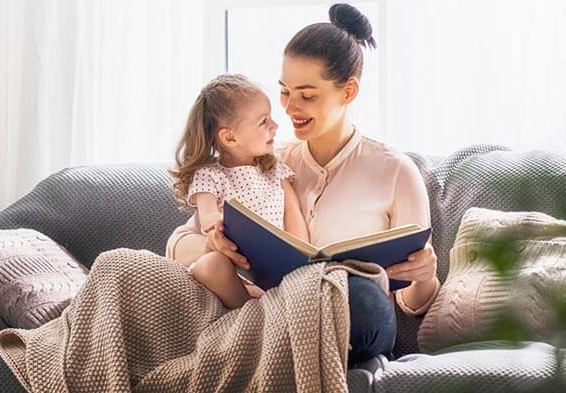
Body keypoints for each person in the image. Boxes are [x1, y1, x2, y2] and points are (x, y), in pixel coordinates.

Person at [166, 3, 440, 365]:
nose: (290, 108)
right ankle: (270, 338)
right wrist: (214, 245)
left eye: (307, 95)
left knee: (360, 299)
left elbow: (411, 302)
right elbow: (177, 245)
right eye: (284, 91)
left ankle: (277, 333)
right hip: (269, 305)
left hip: (356, 317)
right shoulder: (263, 160)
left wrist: (426, 277)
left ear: (349, 91)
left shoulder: (395, 171)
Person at [168, 73, 310, 310]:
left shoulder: (274, 169)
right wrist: (218, 230)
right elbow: (209, 217)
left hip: (272, 271)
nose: (275, 126)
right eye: (263, 121)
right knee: (211, 264)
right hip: (232, 269)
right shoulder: (211, 175)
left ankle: (261, 311)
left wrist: (303, 257)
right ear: (230, 137)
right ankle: (252, 318)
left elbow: (292, 209)